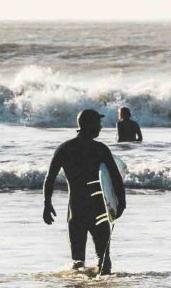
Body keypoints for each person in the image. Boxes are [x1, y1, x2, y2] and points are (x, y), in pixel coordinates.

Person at [43, 110, 126, 275]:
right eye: (98, 123)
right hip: (98, 209)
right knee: (104, 260)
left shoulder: (65, 148)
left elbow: (49, 178)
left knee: (77, 262)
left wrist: (47, 204)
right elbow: (115, 178)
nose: (101, 127)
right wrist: (121, 203)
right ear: (88, 125)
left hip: (76, 209)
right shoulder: (100, 149)